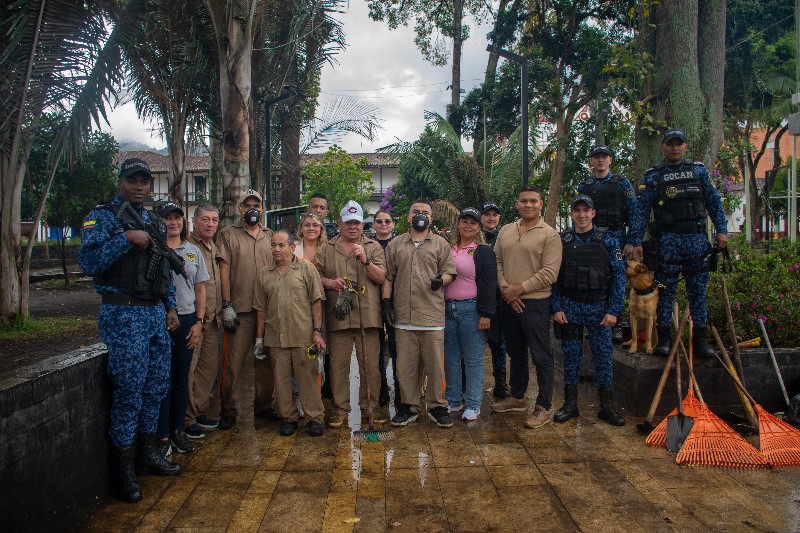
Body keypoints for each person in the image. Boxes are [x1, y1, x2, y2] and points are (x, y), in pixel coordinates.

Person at [78, 158, 181, 504]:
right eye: (132, 180)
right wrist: (126, 239)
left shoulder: (154, 220)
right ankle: (123, 469)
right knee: (129, 391)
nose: (139, 186)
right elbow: (89, 263)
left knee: (155, 387)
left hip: (153, 314)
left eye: (145, 182)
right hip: (122, 314)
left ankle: (147, 453)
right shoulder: (102, 217)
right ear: (121, 181)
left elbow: (160, 267)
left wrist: (169, 306)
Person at [630, 128, 729, 358]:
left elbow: (714, 202)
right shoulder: (653, 175)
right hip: (668, 241)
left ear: (685, 147)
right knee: (665, 292)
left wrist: (722, 231)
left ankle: (701, 342)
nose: (674, 147)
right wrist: (635, 240)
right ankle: (664, 341)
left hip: (696, 241)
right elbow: (641, 211)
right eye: (670, 143)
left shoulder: (698, 171)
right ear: (662, 147)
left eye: (679, 143)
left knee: (697, 293)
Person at [491, 185, 562, 429]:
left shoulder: (549, 235)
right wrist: (506, 290)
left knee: (541, 356)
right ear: (517, 204)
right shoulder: (506, 231)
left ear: (540, 204)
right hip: (508, 301)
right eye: (524, 201)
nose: (528, 205)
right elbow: (497, 261)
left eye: (533, 201)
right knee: (516, 352)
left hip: (536, 303)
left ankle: (544, 405)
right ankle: (518, 396)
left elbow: (549, 273)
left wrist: (518, 289)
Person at [551, 195, 626, 426]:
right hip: (571, 308)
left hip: (599, 309)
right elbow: (553, 277)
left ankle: (607, 407)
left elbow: (619, 277)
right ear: (571, 214)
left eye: (586, 210)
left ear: (593, 213)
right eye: (577, 211)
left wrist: (614, 310)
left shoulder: (609, 240)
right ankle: (571, 404)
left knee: (603, 358)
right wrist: (557, 308)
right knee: (571, 357)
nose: (581, 215)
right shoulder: (562, 240)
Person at [382, 199, 457, 428]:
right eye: (416, 212)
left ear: (431, 218)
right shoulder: (395, 244)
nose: (420, 215)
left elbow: (450, 272)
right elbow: (388, 277)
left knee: (435, 366)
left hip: (431, 316)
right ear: (408, 216)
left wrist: (440, 281)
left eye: (425, 212)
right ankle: (409, 406)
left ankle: (437, 406)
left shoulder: (441, 244)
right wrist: (386, 302)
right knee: (405, 367)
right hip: (404, 317)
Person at [316, 201, 387, 428]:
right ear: (340, 224)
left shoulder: (373, 247)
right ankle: (340, 409)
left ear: (363, 224)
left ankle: (371, 408)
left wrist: (364, 260)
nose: (353, 227)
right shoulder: (327, 248)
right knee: (338, 367)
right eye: (348, 223)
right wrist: (329, 282)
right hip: (339, 317)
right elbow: (312, 276)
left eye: (357, 222)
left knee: (370, 367)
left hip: (368, 317)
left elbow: (381, 277)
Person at [253, 230, 326, 437]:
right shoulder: (264, 274)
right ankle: (288, 417)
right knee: (281, 379)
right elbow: (261, 309)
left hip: (303, 335)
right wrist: (259, 338)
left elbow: (316, 302)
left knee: (308, 379)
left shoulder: (306, 269)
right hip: (276, 336)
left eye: (281, 245)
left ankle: (314, 417)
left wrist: (317, 332)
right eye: (274, 245)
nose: (277, 249)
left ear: (292, 247)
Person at [216, 189, 275, 430]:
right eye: (247, 205)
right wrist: (226, 304)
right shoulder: (228, 235)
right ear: (240, 208)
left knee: (265, 363)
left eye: (256, 205)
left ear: (262, 208)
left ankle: (263, 405)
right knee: (233, 363)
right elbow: (224, 270)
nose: (252, 209)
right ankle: (228, 409)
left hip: (267, 311)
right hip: (239, 311)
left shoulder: (270, 236)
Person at [156, 202, 209, 453]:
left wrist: (199, 322)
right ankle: (162, 435)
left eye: (177, 218)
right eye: (168, 218)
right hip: (159, 320)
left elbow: (200, 288)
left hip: (187, 319)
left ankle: (178, 430)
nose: (173, 222)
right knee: (161, 379)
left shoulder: (192, 251)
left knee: (180, 377)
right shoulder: (154, 248)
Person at [577, 145, 637, 344]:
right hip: (592, 237)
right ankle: (592, 320)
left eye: (604, 156)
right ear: (591, 161)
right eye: (596, 157)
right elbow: (579, 214)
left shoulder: (622, 183)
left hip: (617, 234)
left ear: (610, 160)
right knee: (592, 276)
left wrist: (632, 241)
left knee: (616, 278)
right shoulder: (584, 187)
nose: (601, 160)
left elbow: (634, 212)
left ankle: (616, 323)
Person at [443, 208, 497, 421]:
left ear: (479, 227)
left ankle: (473, 403)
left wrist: (486, 314)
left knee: (473, 359)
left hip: (472, 310)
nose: (468, 225)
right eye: (464, 221)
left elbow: (489, 283)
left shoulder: (483, 251)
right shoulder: (448, 249)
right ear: (458, 224)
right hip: (448, 310)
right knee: (451, 358)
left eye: (473, 223)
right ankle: (453, 400)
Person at [185, 204, 222, 439]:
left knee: (208, 370)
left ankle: (196, 412)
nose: (210, 225)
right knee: (190, 369)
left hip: (214, 318)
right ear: (194, 221)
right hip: (195, 320)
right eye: (205, 220)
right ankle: (186, 419)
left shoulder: (213, 247)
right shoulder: (187, 247)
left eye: (214, 220)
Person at [480, 201, 509, 398]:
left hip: (499, 299)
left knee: (500, 344)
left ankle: (501, 383)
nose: (491, 218)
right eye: (487, 214)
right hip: (476, 297)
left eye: (494, 214)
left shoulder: (504, 238)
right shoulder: (474, 237)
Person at [373, 208, 396, 407]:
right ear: (373, 225)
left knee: (397, 348)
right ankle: (381, 386)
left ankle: (401, 386)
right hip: (372, 301)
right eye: (379, 221)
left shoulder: (398, 244)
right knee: (378, 349)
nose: (383, 224)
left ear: (393, 224)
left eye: (387, 221)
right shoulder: (368, 246)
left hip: (395, 303)